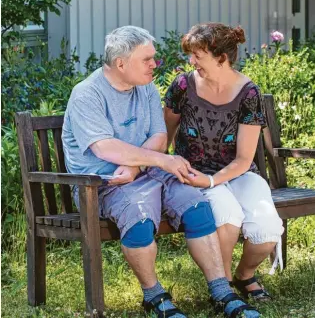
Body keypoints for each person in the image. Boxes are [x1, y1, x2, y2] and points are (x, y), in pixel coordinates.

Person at [62, 26, 260, 318]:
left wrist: (138, 164)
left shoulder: (145, 87)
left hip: (144, 172)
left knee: (197, 207)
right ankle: (154, 296)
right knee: (140, 219)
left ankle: (221, 290)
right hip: (102, 184)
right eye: (147, 59)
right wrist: (161, 162)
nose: (155, 64)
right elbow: (104, 148)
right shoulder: (87, 94)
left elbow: (158, 137)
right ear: (120, 63)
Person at [163, 22, 284, 302]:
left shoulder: (248, 93)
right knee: (227, 216)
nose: (191, 61)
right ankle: (223, 287)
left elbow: (244, 159)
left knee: (267, 227)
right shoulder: (183, 85)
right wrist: (166, 167)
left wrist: (213, 180)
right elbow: (164, 135)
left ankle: (244, 275)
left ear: (221, 58)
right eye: (190, 54)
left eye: (198, 55)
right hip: (194, 174)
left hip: (237, 174)